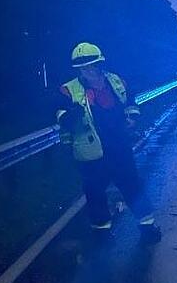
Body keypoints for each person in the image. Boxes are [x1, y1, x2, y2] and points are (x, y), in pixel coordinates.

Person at [55, 42, 156, 232]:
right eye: (84, 67)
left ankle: (148, 226)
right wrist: (73, 113)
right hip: (90, 150)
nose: (89, 70)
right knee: (94, 193)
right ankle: (101, 231)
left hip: (119, 145)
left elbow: (131, 102)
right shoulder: (68, 90)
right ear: (78, 69)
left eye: (92, 65)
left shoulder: (115, 81)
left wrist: (132, 118)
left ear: (100, 63)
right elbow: (62, 119)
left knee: (131, 184)